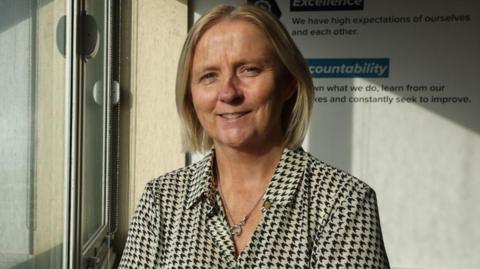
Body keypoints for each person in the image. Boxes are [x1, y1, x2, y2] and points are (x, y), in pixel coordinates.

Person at [119, 4, 389, 268]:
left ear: (288, 84)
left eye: (248, 69)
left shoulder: (343, 202)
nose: (228, 93)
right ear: (191, 96)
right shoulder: (162, 199)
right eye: (209, 76)